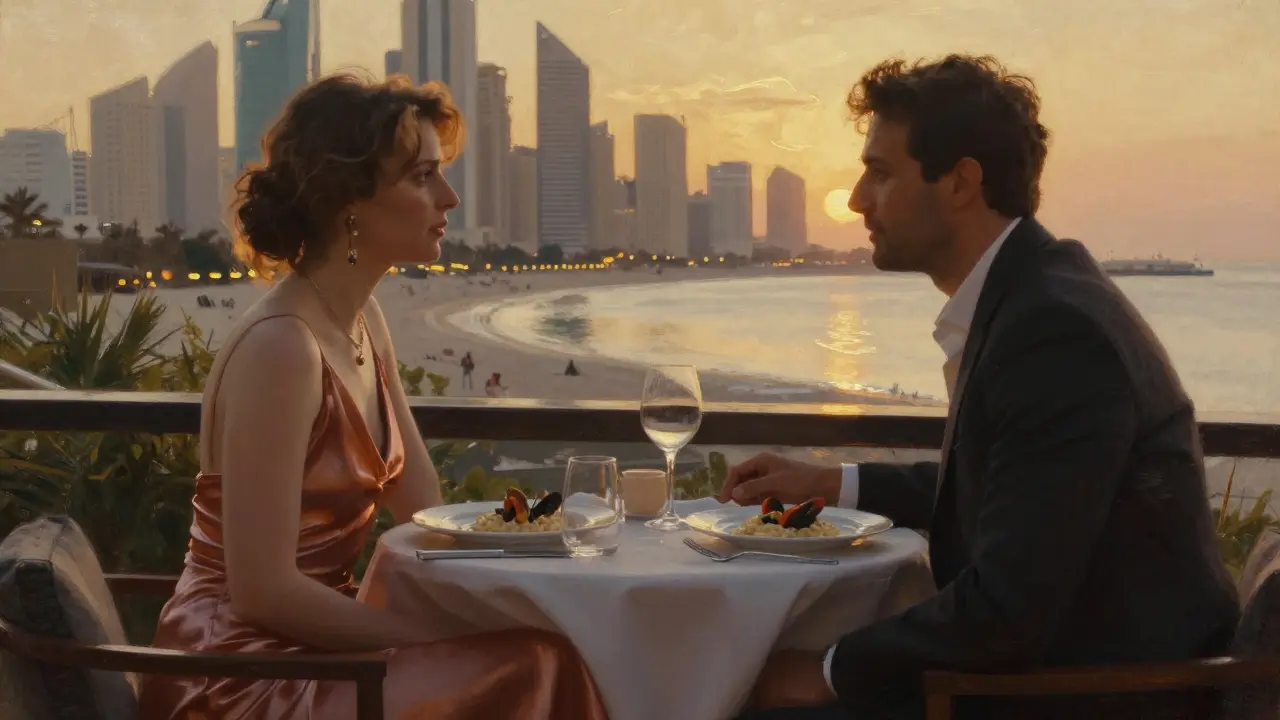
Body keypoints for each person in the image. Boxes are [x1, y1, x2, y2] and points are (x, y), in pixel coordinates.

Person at [723, 55, 1238, 720]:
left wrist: (830, 669)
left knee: (740, 698)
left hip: (1093, 696)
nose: (855, 199)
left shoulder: (1052, 331)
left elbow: (1006, 609)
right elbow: (1017, 488)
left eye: (879, 172)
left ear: (961, 182)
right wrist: (833, 484)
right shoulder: (1036, 294)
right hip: (1070, 670)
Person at [136, 73, 608, 720]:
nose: (450, 196)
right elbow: (262, 593)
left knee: (547, 650)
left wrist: (546, 552)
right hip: (239, 674)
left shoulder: (362, 320)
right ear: (347, 200)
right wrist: (437, 641)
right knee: (539, 665)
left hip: (312, 646)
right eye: (421, 177)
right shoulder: (283, 349)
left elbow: (424, 512)